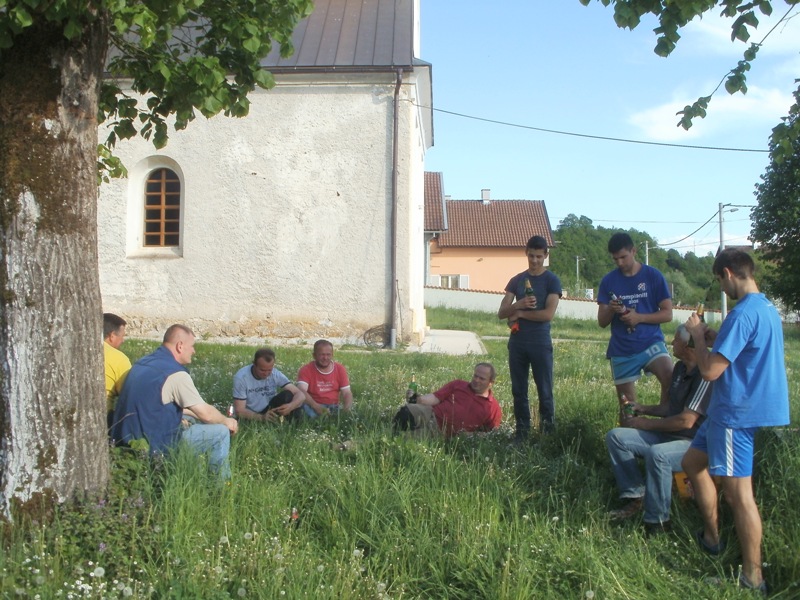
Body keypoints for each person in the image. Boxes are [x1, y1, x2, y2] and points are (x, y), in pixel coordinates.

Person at [681, 249, 788, 594]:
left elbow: (710, 370)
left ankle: (752, 577)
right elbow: (741, 351)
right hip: (729, 412)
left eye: (718, 280)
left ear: (728, 273)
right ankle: (712, 538)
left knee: (740, 496)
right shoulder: (765, 307)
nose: (721, 288)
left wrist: (697, 336)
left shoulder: (742, 314)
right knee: (693, 462)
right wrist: (714, 339)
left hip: (734, 413)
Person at [605, 324, 712, 534]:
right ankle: (636, 496)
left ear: (689, 346)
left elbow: (686, 421)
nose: (671, 343)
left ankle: (658, 522)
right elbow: (669, 408)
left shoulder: (705, 376)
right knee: (616, 437)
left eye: (676, 340)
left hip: (693, 443)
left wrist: (645, 423)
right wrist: (642, 408)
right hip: (670, 434)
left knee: (658, 454)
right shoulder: (680, 368)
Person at [112, 324, 238, 479]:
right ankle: (220, 485)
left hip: (125, 439)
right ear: (180, 346)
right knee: (220, 432)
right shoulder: (175, 374)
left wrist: (189, 415)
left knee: (189, 418)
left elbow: (157, 403)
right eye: (192, 346)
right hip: (155, 447)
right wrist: (227, 420)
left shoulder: (142, 363)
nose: (194, 351)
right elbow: (206, 415)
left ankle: (192, 471)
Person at [597, 232, 673, 407]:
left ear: (634, 251)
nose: (620, 263)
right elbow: (602, 321)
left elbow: (668, 314)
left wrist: (639, 318)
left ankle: (666, 422)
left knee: (670, 377)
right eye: (615, 259)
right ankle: (630, 432)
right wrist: (611, 309)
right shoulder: (609, 281)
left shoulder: (653, 276)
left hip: (651, 343)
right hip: (622, 349)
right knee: (627, 407)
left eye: (623, 257)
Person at [497, 235, 562, 438]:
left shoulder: (552, 280)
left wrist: (520, 313)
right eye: (531, 256)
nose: (534, 261)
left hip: (540, 342)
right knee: (519, 391)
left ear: (545, 256)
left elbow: (547, 315)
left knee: (545, 390)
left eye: (539, 257)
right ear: (526, 253)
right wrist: (518, 305)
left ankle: (547, 434)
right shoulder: (517, 280)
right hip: (517, 342)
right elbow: (501, 312)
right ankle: (522, 433)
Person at [392, 363, 502, 438]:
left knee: (404, 439)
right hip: (430, 412)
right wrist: (416, 398)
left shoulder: (492, 407)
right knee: (406, 412)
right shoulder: (459, 384)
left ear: (491, 382)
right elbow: (435, 397)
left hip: (441, 430)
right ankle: (391, 430)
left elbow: (491, 433)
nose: (476, 380)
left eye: (481, 378)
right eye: (475, 376)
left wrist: (469, 435)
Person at [232, 348, 305, 422]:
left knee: (289, 395)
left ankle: (295, 425)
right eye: (262, 370)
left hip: (270, 408)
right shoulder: (242, 377)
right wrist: (262, 417)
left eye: (269, 370)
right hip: (251, 413)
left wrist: (291, 406)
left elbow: (301, 395)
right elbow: (239, 410)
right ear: (254, 364)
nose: (266, 373)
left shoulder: (275, 374)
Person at [297, 339, 353, 417]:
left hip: (333, 406)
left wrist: (347, 410)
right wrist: (316, 407)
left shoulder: (340, 369)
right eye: (322, 355)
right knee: (308, 414)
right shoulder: (306, 370)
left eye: (328, 354)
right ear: (314, 355)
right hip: (312, 405)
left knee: (351, 416)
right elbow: (301, 391)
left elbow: (347, 392)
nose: (325, 358)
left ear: (332, 355)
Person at [103, 313, 132, 430]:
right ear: (112, 336)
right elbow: (128, 394)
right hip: (103, 417)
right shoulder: (119, 358)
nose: (123, 340)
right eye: (122, 336)